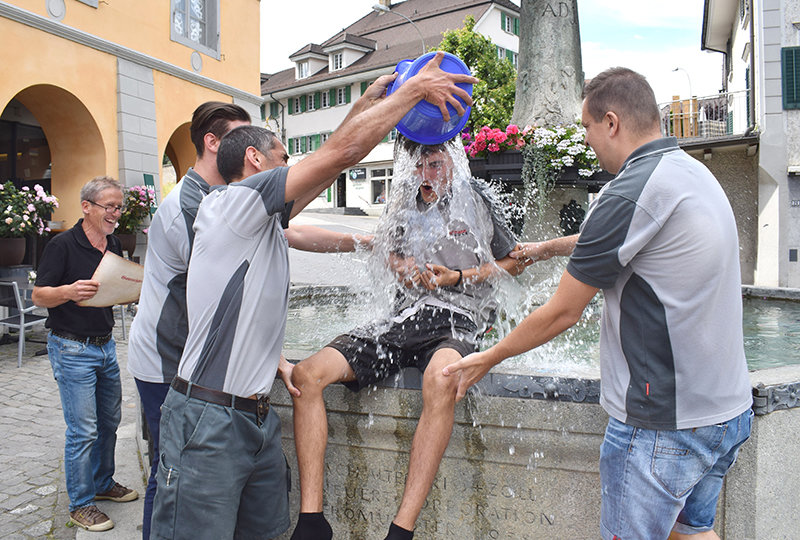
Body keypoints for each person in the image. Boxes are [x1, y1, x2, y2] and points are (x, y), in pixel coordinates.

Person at [150, 52, 478, 540]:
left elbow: (326, 162)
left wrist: (364, 106)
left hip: (255, 416)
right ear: (255, 160)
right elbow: (338, 158)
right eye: (284, 157)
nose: (292, 167)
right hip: (208, 418)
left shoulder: (262, 219)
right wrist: (412, 94)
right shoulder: (232, 205)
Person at [444, 67, 753, 540]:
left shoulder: (630, 191)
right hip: (725, 410)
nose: (584, 139)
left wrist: (487, 356)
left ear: (611, 122)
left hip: (663, 426)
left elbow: (563, 312)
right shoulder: (688, 173)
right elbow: (619, 236)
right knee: (689, 533)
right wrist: (544, 249)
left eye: (586, 127)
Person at [127, 102, 370, 539]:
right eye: (246, 136)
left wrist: (366, 241)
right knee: (172, 483)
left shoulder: (248, 205)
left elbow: (293, 222)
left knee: (182, 483)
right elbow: (208, 297)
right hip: (170, 359)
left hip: (233, 394)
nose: (283, 165)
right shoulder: (203, 204)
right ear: (228, 147)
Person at [287, 135, 530, 540]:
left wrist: (459, 277)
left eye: (434, 165)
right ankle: (312, 521)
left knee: (440, 379)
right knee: (306, 376)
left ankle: (401, 529)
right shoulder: (404, 201)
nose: (425, 175)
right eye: (418, 167)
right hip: (406, 319)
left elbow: (515, 260)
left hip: (461, 318)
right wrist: (401, 266)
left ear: (453, 162)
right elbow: (383, 250)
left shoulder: (478, 198)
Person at [127, 101, 250, 540]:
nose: (251, 149)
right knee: (170, 472)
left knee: (177, 470)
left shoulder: (223, 197)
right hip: (164, 360)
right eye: (241, 138)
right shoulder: (189, 203)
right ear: (212, 143)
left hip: (184, 357)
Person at [33, 176, 139, 532]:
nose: (115, 213)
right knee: (83, 431)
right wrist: (67, 290)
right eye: (109, 206)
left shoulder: (112, 244)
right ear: (87, 207)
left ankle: (102, 483)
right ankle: (81, 504)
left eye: (119, 207)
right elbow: (39, 297)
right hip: (71, 346)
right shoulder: (61, 245)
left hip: (105, 346)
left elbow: (113, 290)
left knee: (109, 422)